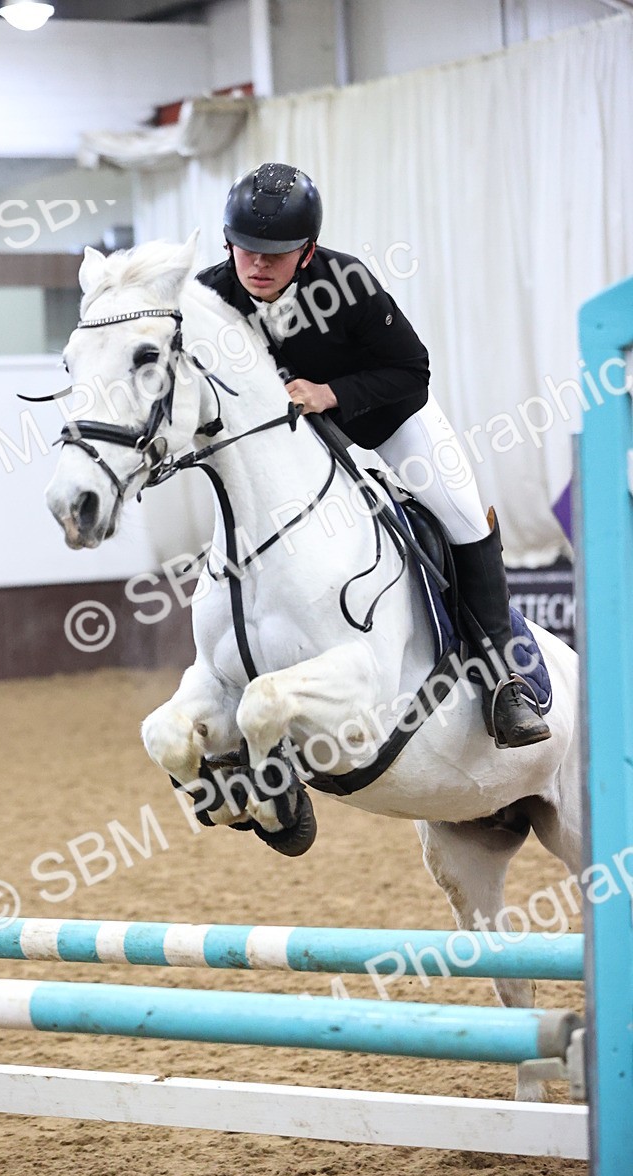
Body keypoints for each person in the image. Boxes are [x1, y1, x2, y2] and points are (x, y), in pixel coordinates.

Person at [196, 161, 550, 749]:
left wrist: (330, 393)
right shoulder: (211, 296)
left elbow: (413, 372)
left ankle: (501, 682)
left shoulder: (349, 283)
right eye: (247, 248)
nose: (258, 264)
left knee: (463, 512)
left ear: (307, 252)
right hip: (294, 449)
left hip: (388, 424)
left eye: (275, 253)